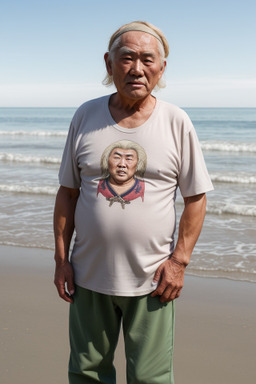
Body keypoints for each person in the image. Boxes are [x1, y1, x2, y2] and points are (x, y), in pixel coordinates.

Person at [54, 20, 213, 384]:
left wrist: (179, 262)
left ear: (162, 67)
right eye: (126, 58)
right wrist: (61, 260)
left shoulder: (176, 121)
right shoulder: (85, 116)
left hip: (153, 280)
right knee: (86, 373)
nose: (137, 68)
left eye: (147, 59)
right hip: (87, 276)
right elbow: (68, 192)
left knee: (150, 378)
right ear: (109, 64)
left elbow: (196, 198)